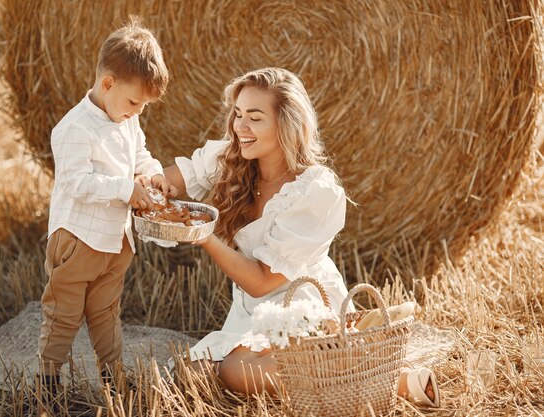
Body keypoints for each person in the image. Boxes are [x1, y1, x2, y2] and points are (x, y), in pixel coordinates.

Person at [163, 67, 439, 407]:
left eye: (255, 118)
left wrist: (204, 236)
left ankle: (386, 380)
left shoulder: (315, 191)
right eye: (237, 115)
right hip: (253, 309)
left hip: (300, 300)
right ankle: (354, 370)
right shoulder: (233, 158)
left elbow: (264, 281)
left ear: (285, 125)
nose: (240, 127)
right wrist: (142, 186)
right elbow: (171, 181)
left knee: (235, 371)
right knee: (193, 369)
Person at [36, 18, 175, 393]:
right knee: (63, 314)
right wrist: (126, 189)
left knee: (106, 312)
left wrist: (152, 173)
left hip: (116, 241)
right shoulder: (73, 128)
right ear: (108, 83)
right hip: (78, 239)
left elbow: (140, 154)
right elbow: (75, 183)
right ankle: (48, 380)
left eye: (144, 105)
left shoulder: (126, 120)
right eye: (134, 101)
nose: (138, 111)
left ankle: (112, 376)